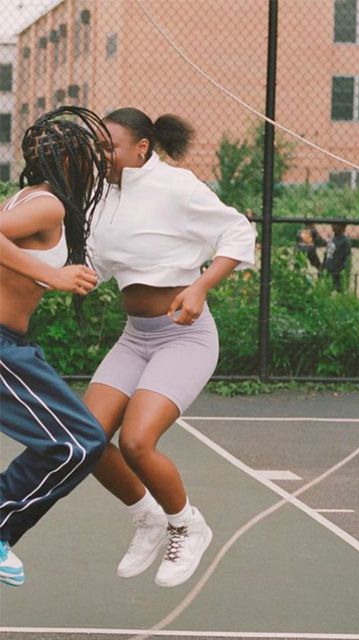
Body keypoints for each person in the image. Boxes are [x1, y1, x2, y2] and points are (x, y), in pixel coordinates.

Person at [85, 108, 255, 588]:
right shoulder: (102, 198)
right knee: (86, 440)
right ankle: (149, 518)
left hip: (184, 336)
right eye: (98, 146)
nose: (101, 154)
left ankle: (186, 525)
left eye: (109, 146)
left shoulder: (177, 187)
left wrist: (200, 286)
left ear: (141, 148)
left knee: (136, 442)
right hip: (135, 337)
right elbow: (93, 263)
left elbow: (239, 232)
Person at [0, 106, 110, 586]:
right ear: (69, 161)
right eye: (89, 158)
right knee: (77, 443)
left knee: (77, 441)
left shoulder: (28, 200)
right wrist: (55, 275)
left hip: (12, 345)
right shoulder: (48, 205)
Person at [321, 222, 351, 291]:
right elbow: (327, 254)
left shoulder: (345, 241)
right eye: (333, 224)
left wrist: (345, 271)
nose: (333, 226)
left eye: (336, 224)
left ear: (343, 227)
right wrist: (322, 267)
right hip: (328, 270)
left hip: (338, 272)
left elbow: (347, 258)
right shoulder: (332, 239)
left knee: (339, 290)